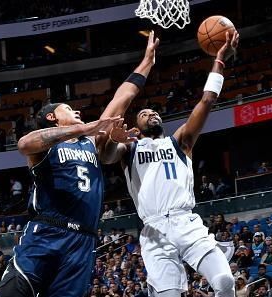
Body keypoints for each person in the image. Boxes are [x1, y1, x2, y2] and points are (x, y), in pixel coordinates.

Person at [0, 32, 160, 297]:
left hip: (83, 240)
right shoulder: (45, 145)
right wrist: (84, 128)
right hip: (46, 233)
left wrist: (147, 61)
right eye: (68, 109)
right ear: (52, 117)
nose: (78, 111)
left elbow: (123, 96)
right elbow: (24, 144)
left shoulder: (91, 142)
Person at [101, 31, 239, 297]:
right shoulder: (130, 148)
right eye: (144, 113)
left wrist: (219, 60)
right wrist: (109, 139)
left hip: (185, 222)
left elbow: (207, 100)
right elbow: (105, 157)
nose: (151, 113)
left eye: (154, 111)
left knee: (224, 282)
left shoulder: (181, 142)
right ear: (137, 126)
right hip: (153, 231)